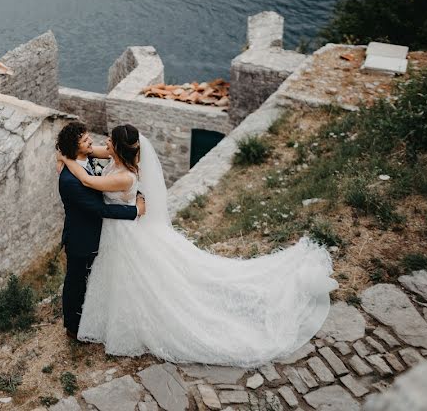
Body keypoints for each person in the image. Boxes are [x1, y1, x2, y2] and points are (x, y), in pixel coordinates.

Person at [57, 124, 337, 367]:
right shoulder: (120, 157)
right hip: (118, 232)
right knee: (121, 276)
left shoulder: (124, 175)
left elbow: (86, 180)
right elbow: (92, 155)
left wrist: (66, 159)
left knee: (137, 276)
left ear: (118, 149)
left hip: (125, 231)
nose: (100, 144)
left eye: (108, 142)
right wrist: (71, 153)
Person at [56, 121, 144, 340]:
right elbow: (98, 208)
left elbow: (93, 175)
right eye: (86, 140)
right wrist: (134, 211)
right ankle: (73, 327)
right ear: (75, 147)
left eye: (88, 138)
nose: (93, 141)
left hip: (107, 233)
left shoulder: (91, 157)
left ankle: (98, 317)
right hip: (81, 236)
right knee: (75, 282)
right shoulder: (68, 180)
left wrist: (62, 155)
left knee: (101, 279)